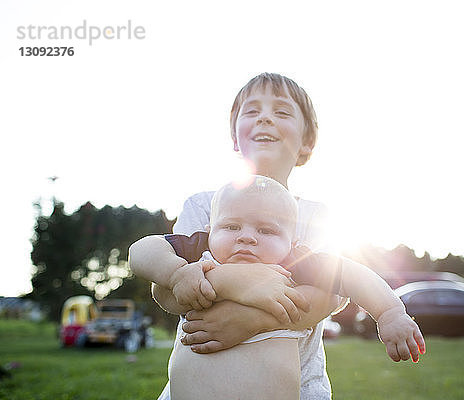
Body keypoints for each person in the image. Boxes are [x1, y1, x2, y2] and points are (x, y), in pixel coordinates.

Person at [128, 73, 425, 400]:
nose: (265, 117)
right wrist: (177, 272)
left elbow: (340, 285)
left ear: (306, 142)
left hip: (300, 388)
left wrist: (391, 312)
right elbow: (161, 278)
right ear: (234, 137)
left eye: (282, 112)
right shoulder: (205, 209)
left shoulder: (312, 219)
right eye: (252, 111)